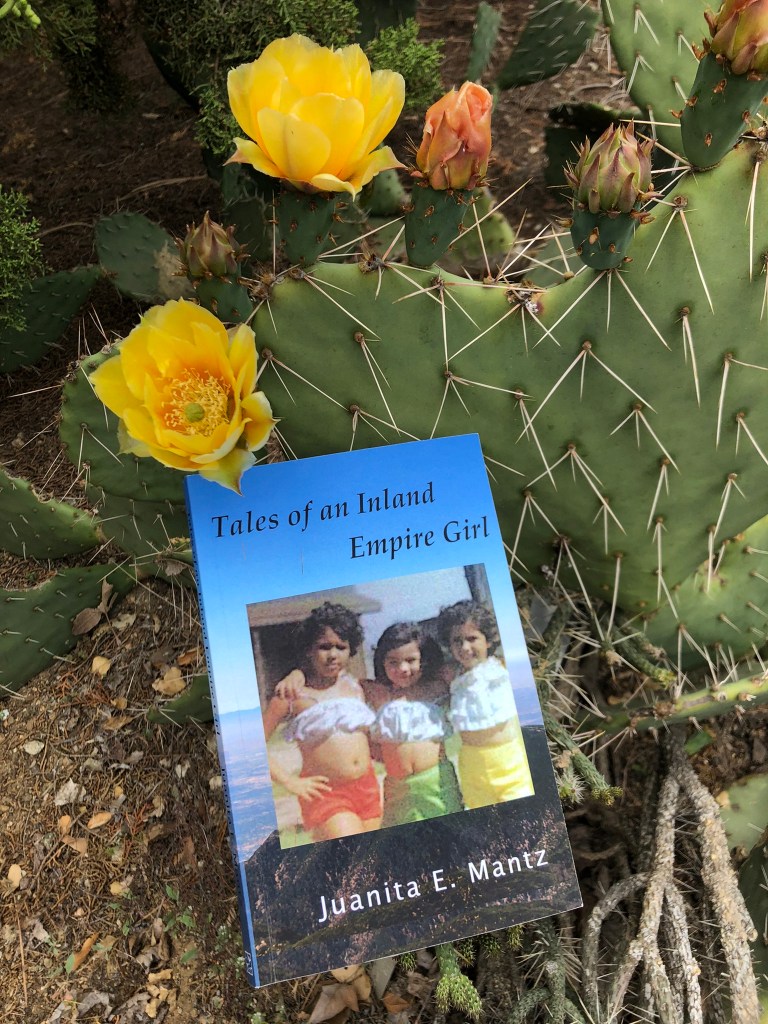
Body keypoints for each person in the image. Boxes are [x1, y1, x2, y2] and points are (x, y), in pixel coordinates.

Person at [261, 602, 382, 842]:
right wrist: (289, 781)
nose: (333, 654)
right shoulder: (291, 694)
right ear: (309, 650)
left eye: (341, 647)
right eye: (324, 647)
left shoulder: (357, 686)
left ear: (351, 650)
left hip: (367, 787)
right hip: (326, 793)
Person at [436, 599, 534, 809]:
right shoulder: (453, 678)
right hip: (472, 766)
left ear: (488, 640)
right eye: (457, 641)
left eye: (472, 638)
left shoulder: (502, 666)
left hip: (509, 763)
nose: (464, 647)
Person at [368, 622, 463, 827]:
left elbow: (469, 663)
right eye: (393, 662)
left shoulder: (438, 687)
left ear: (425, 660)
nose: (402, 669)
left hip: (437, 782)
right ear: (381, 662)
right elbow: (338, 681)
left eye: (411, 660)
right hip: (397, 788)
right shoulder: (377, 693)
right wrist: (297, 675)